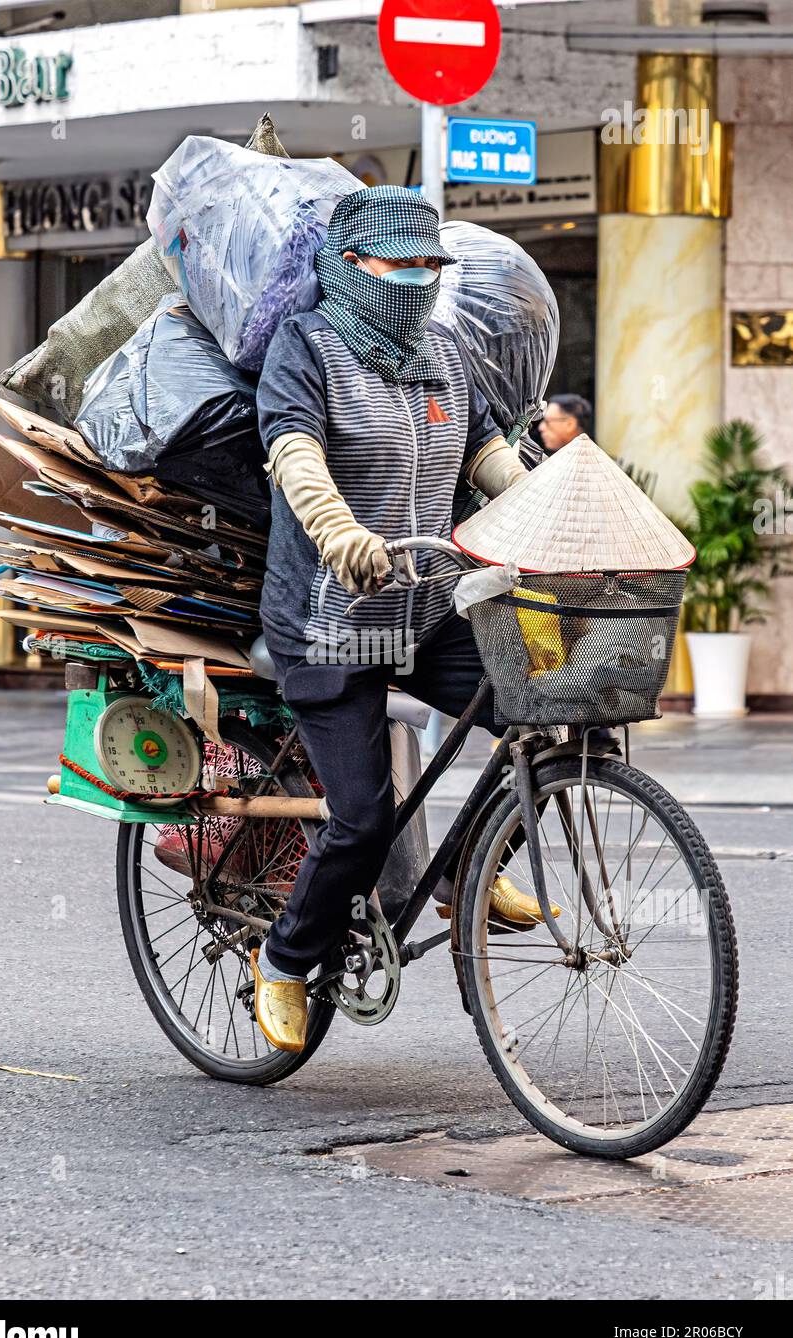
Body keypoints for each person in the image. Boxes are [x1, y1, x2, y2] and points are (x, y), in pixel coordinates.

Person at [250, 185, 551, 1052]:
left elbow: (491, 454)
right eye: (400, 264)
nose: (418, 281)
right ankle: (282, 960)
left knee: (547, 705)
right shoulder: (305, 349)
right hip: (334, 616)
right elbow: (293, 452)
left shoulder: (447, 352)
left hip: (426, 605)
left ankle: (467, 860)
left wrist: (547, 514)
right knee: (363, 820)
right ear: (349, 267)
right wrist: (338, 529)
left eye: (431, 266)